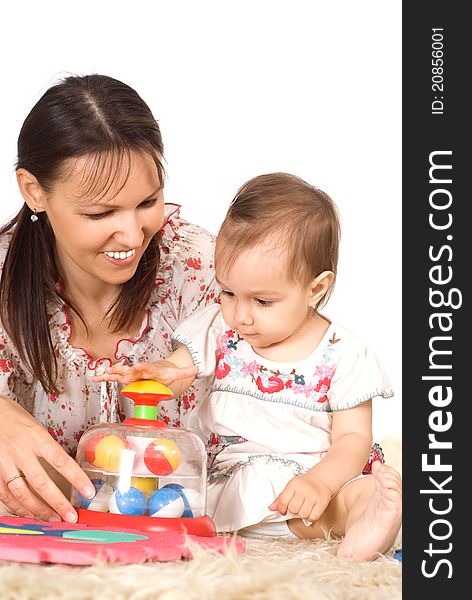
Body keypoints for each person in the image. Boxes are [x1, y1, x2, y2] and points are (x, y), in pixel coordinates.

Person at [96, 172, 402, 561]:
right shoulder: (217, 328)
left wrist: (320, 484)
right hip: (233, 478)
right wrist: (156, 374)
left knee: (354, 496)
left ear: (316, 289)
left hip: (316, 480)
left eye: (262, 301)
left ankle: (366, 520)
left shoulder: (343, 352)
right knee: (187, 499)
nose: (240, 315)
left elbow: (353, 440)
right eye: (228, 292)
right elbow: (178, 371)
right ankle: (328, 521)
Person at [0, 74, 218, 524]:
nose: (132, 234)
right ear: (33, 190)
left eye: (147, 202)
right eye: (100, 213)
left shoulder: (204, 270)